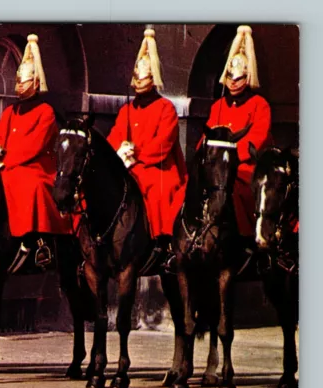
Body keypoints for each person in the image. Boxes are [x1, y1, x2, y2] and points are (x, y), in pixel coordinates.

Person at [0, 34, 71, 270]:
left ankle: (36, 240)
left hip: (38, 169)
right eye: (18, 81)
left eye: (24, 81)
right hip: (10, 165)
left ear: (35, 82)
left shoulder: (46, 112)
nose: (19, 85)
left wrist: (7, 160)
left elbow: (34, 146)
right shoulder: (11, 111)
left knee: (28, 184)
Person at [106, 28, 187, 262]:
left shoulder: (166, 109)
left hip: (160, 169)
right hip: (130, 167)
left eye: (142, 78)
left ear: (153, 80)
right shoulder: (126, 110)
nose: (137, 82)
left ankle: (162, 242)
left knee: (157, 189)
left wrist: (138, 153)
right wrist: (119, 151)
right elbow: (114, 136)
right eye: (136, 77)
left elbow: (164, 144)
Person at [200, 25, 272, 240]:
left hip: (245, 168)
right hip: (217, 167)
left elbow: (256, 141)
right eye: (230, 76)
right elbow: (207, 136)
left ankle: (244, 239)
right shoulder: (218, 106)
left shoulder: (260, 105)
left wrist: (229, 159)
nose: (232, 81)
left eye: (238, 78)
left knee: (236, 191)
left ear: (247, 78)